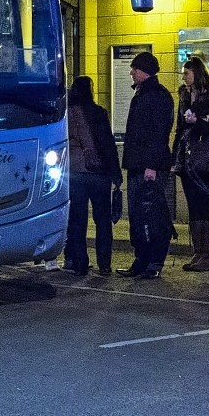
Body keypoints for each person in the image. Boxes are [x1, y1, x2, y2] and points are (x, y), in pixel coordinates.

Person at [116, 52, 175, 279]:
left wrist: (151, 165)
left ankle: (154, 261)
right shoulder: (142, 95)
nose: (131, 72)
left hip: (150, 167)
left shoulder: (158, 96)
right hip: (137, 164)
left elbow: (159, 134)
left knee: (154, 214)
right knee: (138, 216)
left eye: (134, 68)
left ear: (144, 71)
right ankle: (141, 259)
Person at [63, 76, 123, 277]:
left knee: (77, 220)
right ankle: (104, 264)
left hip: (75, 174)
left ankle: (79, 264)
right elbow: (108, 144)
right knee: (103, 220)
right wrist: (116, 173)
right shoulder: (98, 113)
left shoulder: (65, 116)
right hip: (99, 173)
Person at [172, 57, 209, 272]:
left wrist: (199, 122)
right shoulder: (184, 95)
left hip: (206, 157)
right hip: (187, 157)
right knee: (193, 205)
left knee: (205, 204)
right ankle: (198, 252)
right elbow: (179, 127)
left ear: (197, 73)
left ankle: (208, 255)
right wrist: (174, 157)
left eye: (187, 73)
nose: (184, 77)